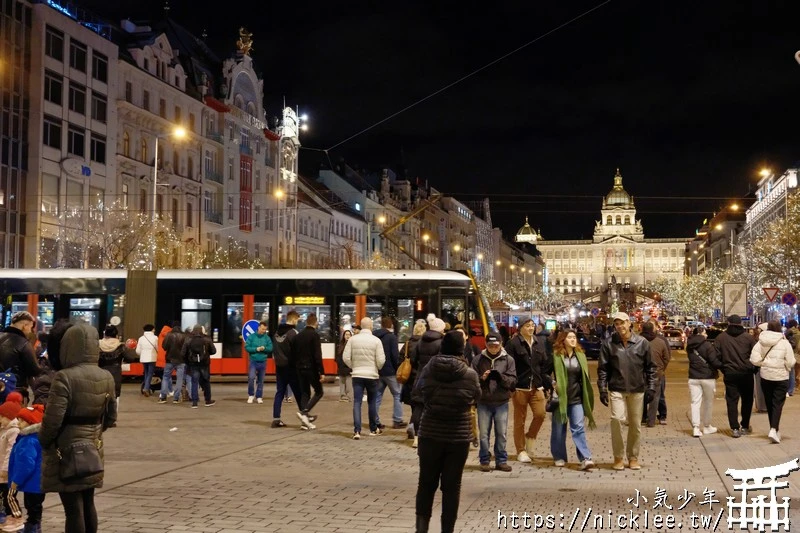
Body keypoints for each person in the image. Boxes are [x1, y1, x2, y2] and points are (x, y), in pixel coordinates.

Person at [39, 322, 117, 533]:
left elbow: (53, 420)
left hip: (66, 449)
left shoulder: (64, 377)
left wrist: (43, 441)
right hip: (93, 447)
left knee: (73, 509)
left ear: (67, 346)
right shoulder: (106, 376)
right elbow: (111, 418)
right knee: (88, 502)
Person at [412, 330, 480, 533]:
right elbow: (476, 397)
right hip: (457, 436)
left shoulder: (428, 369)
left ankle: (421, 529)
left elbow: (417, 392)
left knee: (426, 483)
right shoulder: (469, 374)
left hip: (430, 432)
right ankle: (447, 530)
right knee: (452, 487)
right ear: (461, 349)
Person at [597, 312, 657, 471]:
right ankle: (618, 456)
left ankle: (633, 457)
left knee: (635, 424)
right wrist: (602, 389)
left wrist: (651, 387)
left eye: (622, 323)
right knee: (616, 419)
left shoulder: (642, 343)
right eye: (616, 324)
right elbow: (603, 369)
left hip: (637, 389)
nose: (620, 326)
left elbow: (651, 367)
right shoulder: (609, 344)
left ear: (629, 323)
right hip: (616, 388)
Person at [504, 318, 552, 463]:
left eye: (532, 326)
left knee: (540, 414)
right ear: (521, 328)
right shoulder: (513, 343)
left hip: (536, 386)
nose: (531, 328)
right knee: (520, 420)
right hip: (520, 386)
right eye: (527, 326)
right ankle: (521, 450)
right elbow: (508, 364)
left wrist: (547, 383)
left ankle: (530, 437)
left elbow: (544, 364)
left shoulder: (538, 343)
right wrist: (511, 386)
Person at [550, 330, 596, 470]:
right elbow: (545, 373)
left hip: (576, 398)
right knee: (558, 429)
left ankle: (585, 458)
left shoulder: (580, 356)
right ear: (563, 340)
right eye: (569, 337)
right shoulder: (556, 356)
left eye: (574, 337)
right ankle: (559, 456)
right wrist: (552, 383)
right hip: (560, 398)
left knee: (578, 428)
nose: (572, 340)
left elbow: (584, 378)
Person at [471, 332, 516, 472]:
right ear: (486, 345)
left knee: (501, 433)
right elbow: (472, 381)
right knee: (484, 434)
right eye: (490, 346)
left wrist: (500, 377)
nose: (493, 348)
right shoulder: (478, 360)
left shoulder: (508, 360)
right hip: (484, 401)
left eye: (496, 345)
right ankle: (484, 460)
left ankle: (501, 460)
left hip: (501, 401)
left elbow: (513, 381)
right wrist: (482, 378)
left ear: (501, 344)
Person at [750, 320, 796, 443]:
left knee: (770, 404)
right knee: (777, 404)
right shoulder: (784, 343)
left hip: (766, 377)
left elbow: (754, 359)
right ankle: (774, 429)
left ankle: (774, 430)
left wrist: (763, 364)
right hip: (781, 377)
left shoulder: (761, 342)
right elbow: (791, 361)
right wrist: (785, 366)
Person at [714, 314, 757, 438]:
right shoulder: (748, 338)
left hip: (730, 374)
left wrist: (723, 368)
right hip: (746, 373)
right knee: (747, 400)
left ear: (728, 323)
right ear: (741, 324)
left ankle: (734, 428)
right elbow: (756, 356)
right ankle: (745, 426)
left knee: (731, 401)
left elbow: (716, 356)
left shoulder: (721, 338)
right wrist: (754, 369)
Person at [342, 317, 386, 439]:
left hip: (357, 375)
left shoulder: (352, 340)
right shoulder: (376, 341)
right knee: (372, 402)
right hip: (372, 375)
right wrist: (376, 368)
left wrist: (354, 366)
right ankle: (373, 429)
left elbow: (345, 357)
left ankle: (357, 431)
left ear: (361, 326)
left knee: (357, 402)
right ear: (371, 326)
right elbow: (381, 360)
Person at [409, 318, 446, 446]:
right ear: (441, 329)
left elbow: (413, 359)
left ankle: (416, 437)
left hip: (420, 377)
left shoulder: (420, 341)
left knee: (419, 407)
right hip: (436, 379)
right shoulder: (442, 342)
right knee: (435, 407)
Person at [9, 404, 45, 533]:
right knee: (35, 506)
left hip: (31, 482)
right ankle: (35, 526)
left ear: (31, 423)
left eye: (22, 420)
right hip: (38, 481)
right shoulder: (36, 438)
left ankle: (32, 528)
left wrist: (16, 480)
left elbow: (26, 464)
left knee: (32, 507)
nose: (18, 423)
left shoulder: (28, 441)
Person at [686, 326, 723, 437]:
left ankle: (696, 428)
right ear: (701, 333)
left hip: (693, 377)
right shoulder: (707, 345)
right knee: (708, 402)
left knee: (695, 402)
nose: (706, 334)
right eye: (705, 332)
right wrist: (723, 366)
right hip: (708, 377)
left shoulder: (689, 346)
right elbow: (713, 361)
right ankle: (707, 426)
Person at [0, 312, 41, 403]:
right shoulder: (23, 343)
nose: (30, 331)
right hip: (14, 391)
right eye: (30, 327)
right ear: (25, 326)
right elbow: (35, 370)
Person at [294, 313, 324, 430]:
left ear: (306, 323)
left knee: (305, 393)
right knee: (319, 391)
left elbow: (294, 353)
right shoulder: (314, 335)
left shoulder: (298, 335)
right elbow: (317, 355)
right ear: (315, 323)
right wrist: (321, 371)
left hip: (299, 368)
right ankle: (304, 412)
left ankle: (304, 422)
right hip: (311, 368)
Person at [373, 317, 404, 430]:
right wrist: (397, 369)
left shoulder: (374, 336)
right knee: (397, 395)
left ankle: (374, 420)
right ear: (391, 325)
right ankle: (397, 420)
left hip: (378, 371)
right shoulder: (392, 337)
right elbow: (394, 356)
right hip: (390, 371)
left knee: (377, 396)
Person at [271, 312, 301, 427]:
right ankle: (304, 416)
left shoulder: (276, 333)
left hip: (279, 367)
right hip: (291, 367)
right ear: (293, 320)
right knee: (298, 393)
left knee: (279, 392)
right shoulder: (293, 333)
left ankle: (276, 419)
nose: (297, 323)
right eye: (297, 320)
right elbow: (296, 351)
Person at [401, 320, 427, 444]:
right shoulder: (425, 345)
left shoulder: (407, 344)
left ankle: (413, 424)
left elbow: (399, 359)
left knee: (414, 405)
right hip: (421, 378)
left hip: (410, 379)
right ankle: (416, 427)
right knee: (421, 405)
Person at [640, 322, 671, 427]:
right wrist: (662, 368)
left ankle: (642, 418)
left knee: (641, 396)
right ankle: (651, 421)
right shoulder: (660, 342)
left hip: (641, 373)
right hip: (657, 373)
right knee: (655, 397)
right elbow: (667, 358)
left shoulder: (637, 341)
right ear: (653, 329)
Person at [97, 326, 136, 406]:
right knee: (115, 396)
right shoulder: (120, 346)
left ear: (105, 334)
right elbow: (130, 358)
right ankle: (112, 416)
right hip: (115, 374)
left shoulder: (98, 345)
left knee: (99, 395)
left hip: (100, 373)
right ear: (116, 335)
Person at [0, 392, 22, 529]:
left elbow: (10, 452)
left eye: (2, 417)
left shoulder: (13, 431)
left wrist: (5, 469)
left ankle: (16, 518)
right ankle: (7, 516)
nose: (0, 419)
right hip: (1, 469)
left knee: (8, 496)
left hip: (6, 472)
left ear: (8, 417)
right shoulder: (4, 429)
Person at [181, 326, 217, 408]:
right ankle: (208, 401)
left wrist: (188, 361)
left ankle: (194, 403)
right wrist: (206, 354)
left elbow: (183, 353)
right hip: (205, 364)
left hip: (193, 364)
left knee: (194, 382)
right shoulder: (207, 339)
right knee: (206, 382)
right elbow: (214, 351)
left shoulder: (188, 339)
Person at [244, 321, 272, 404]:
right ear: (259, 327)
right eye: (263, 329)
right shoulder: (251, 337)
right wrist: (256, 349)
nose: (264, 331)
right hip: (253, 360)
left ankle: (259, 396)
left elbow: (271, 348)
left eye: (265, 330)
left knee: (261, 380)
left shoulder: (267, 338)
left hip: (263, 361)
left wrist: (265, 348)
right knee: (251, 378)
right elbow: (247, 347)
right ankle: (251, 395)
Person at [159, 321, 186, 404]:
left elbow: (164, 346)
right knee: (179, 379)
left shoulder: (168, 335)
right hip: (181, 360)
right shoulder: (184, 336)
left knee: (166, 377)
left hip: (169, 360)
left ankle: (163, 397)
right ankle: (176, 398)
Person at [335, 330, 353, 402]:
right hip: (341, 367)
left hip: (348, 367)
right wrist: (339, 363)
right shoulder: (340, 345)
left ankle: (348, 396)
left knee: (349, 383)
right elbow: (337, 356)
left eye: (349, 334)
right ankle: (342, 396)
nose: (347, 336)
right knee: (342, 382)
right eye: (346, 334)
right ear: (343, 336)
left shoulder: (352, 345)